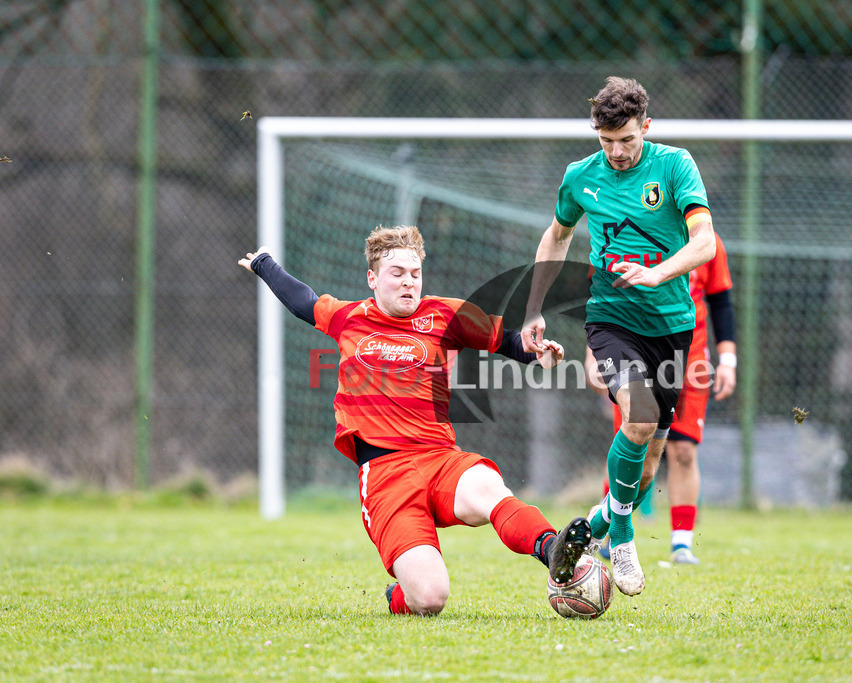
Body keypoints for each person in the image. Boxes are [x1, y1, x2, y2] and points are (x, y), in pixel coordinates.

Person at [238, 225, 591, 616]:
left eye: (415, 274)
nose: (409, 283)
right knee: (431, 598)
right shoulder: (348, 318)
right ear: (372, 278)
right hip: (386, 473)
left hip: (440, 458)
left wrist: (537, 352)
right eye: (397, 274)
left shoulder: (445, 314)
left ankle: (553, 548)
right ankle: (399, 594)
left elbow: (508, 342)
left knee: (489, 487)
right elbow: (302, 300)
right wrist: (263, 263)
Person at [521, 77, 717, 596]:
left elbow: (706, 242)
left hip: (673, 327)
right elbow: (558, 235)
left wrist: (659, 272)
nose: (617, 152)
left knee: (652, 453)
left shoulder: (674, 166)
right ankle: (624, 534)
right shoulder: (580, 177)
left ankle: (602, 522)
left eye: (626, 140)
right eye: (606, 141)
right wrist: (533, 308)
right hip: (610, 320)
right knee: (640, 417)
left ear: (645, 127)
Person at [585, 232, 736, 565]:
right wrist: (592, 353)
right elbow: (600, 294)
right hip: (634, 349)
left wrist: (728, 360)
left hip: (691, 357)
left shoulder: (708, 241)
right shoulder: (626, 231)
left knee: (683, 449)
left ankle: (680, 544)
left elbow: (722, 301)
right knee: (632, 443)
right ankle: (612, 534)